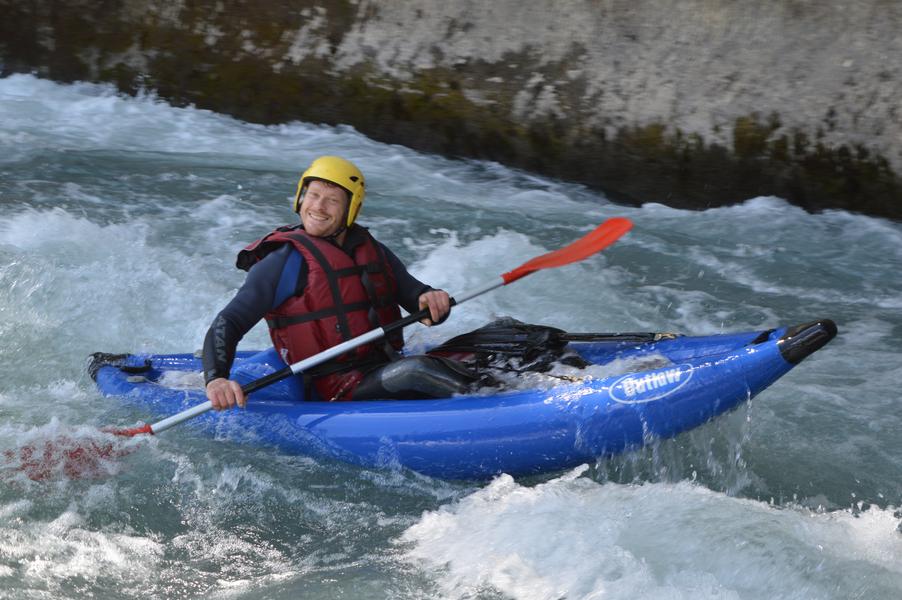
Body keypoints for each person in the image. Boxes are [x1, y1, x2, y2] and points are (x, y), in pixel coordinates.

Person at [203, 155, 476, 410]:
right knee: (418, 371)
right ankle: (489, 403)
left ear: (351, 208)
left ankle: (494, 388)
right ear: (301, 197)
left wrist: (431, 299)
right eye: (313, 195)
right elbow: (229, 321)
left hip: (386, 365)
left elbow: (419, 303)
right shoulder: (282, 261)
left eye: (332, 200)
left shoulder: (371, 249)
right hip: (337, 386)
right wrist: (217, 379)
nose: (318, 207)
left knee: (491, 341)